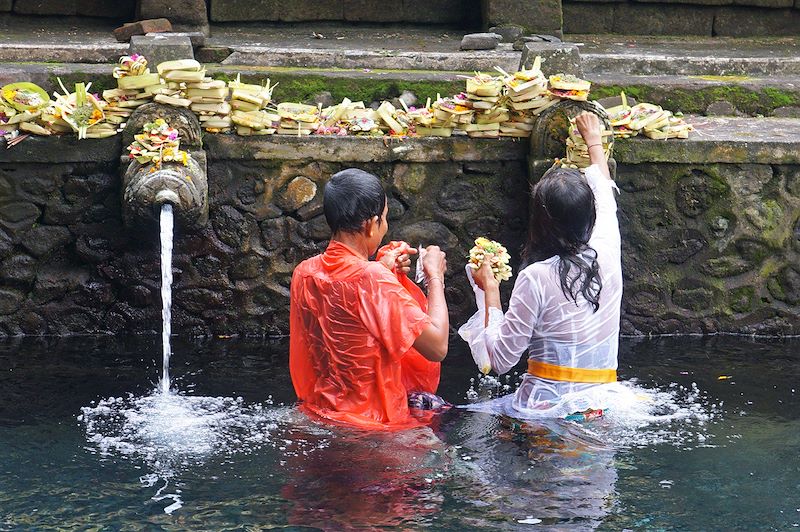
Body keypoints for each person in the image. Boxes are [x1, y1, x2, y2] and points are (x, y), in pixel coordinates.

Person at [460, 112, 626, 419]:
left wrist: (489, 291)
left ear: (539, 222)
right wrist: (593, 140)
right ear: (590, 216)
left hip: (545, 411)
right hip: (604, 405)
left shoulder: (536, 278)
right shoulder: (608, 251)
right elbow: (605, 192)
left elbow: (499, 361)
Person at [290, 168, 449, 430]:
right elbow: (437, 347)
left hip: (318, 416)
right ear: (369, 224)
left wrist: (383, 270)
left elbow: (347, 313)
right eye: (384, 220)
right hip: (374, 427)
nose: (385, 228)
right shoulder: (372, 280)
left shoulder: (304, 273)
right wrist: (435, 277)